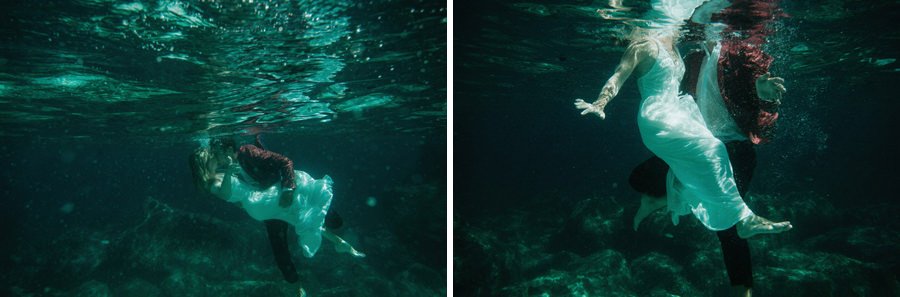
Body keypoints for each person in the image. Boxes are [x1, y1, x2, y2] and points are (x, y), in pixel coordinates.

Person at [573, 16, 791, 238]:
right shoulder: (643, 46)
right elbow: (618, 75)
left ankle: (657, 199)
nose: (687, 24)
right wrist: (600, 103)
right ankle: (744, 220)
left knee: (703, 160)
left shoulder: (677, 50)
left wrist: (758, 93)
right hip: (658, 116)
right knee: (712, 151)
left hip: (679, 112)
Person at [628, 1, 786, 295]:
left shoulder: (747, 59)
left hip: (734, 152)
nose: (710, 33)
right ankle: (659, 198)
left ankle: (743, 291)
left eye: (720, 25)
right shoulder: (695, 58)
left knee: (730, 227)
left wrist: (766, 100)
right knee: (638, 178)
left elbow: (766, 131)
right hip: (697, 145)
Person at [189, 137, 364, 284]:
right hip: (262, 202)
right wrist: (229, 173)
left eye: (214, 153)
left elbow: (240, 194)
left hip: (259, 201)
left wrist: (249, 192)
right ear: (204, 163)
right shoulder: (213, 181)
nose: (214, 157)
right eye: (211, 156)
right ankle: (336, 246)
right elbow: (226, 194)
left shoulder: (227, 167)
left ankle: (339, 243)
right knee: (299, 211)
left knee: (299, 217)